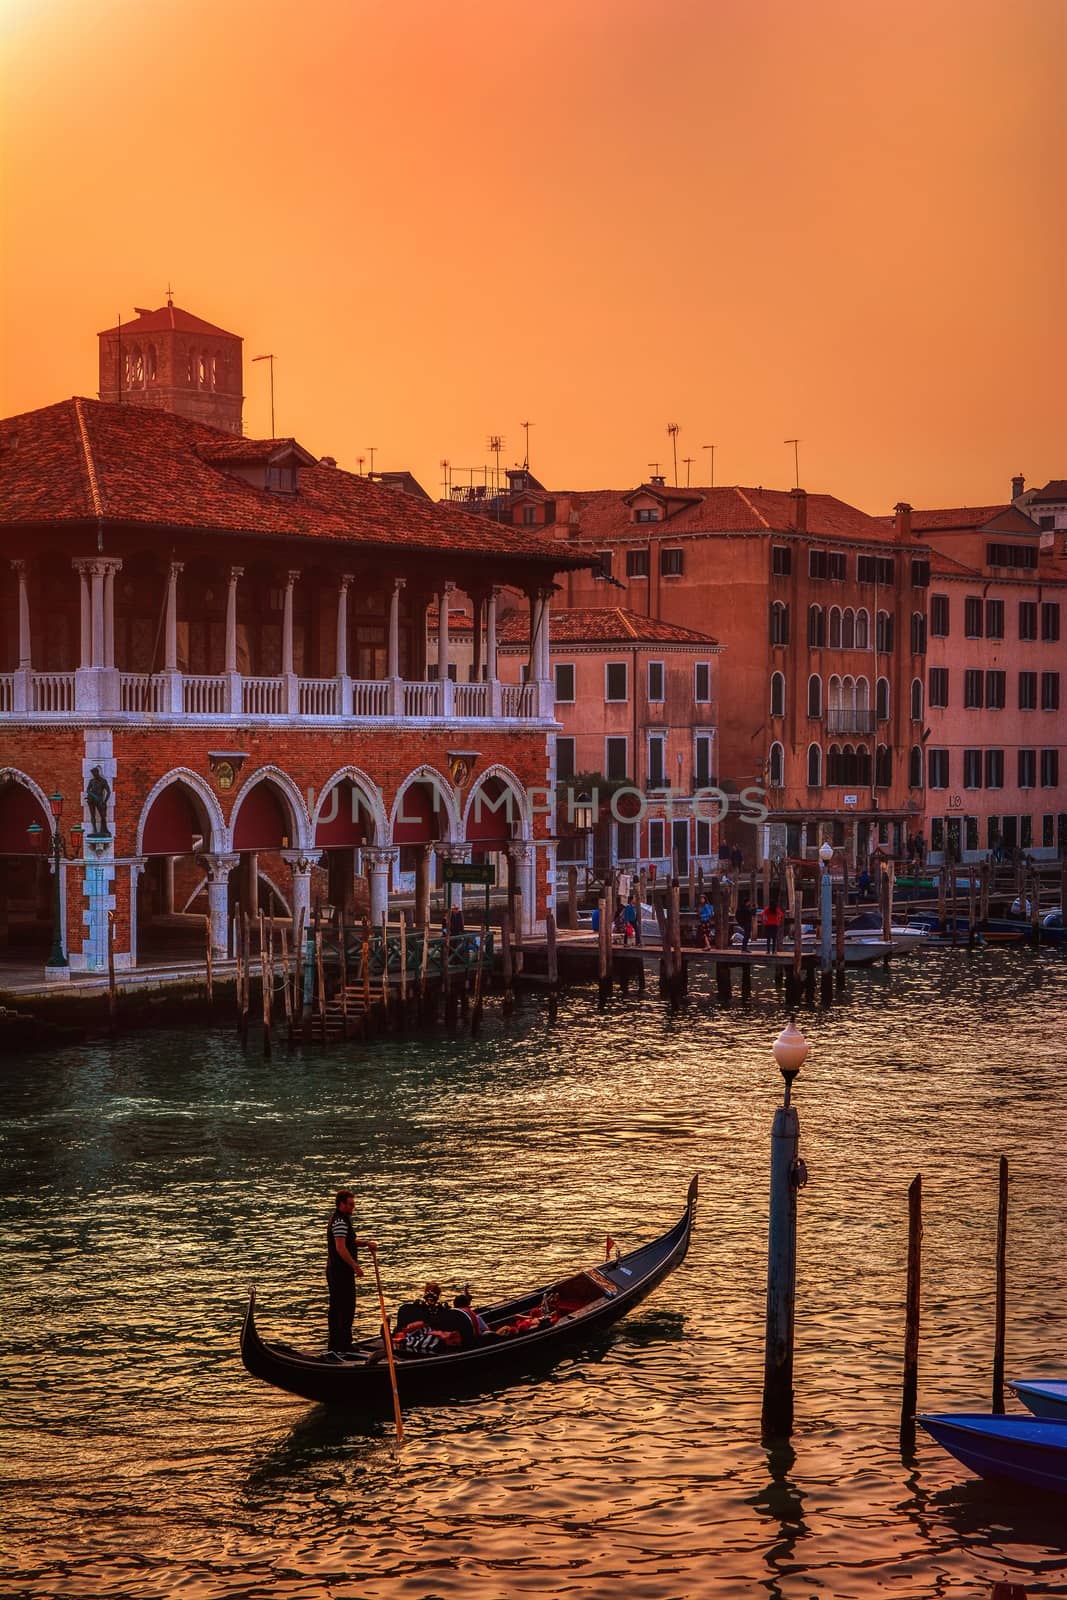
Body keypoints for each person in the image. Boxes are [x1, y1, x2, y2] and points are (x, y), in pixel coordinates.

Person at [326, 1188, 377, 1354]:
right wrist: (355, 1265)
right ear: (341, 1204)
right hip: (339, 1272)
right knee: (345, 1307)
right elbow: (340, 1248)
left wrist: (366, 1243)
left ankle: (338, 1344)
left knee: (339, 1307)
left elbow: (350, 1241)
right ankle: (342, 1345)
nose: (353, 1207)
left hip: (338, 1271)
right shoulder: (340, 1221)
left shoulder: (342, 1219)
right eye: (350, 1204)